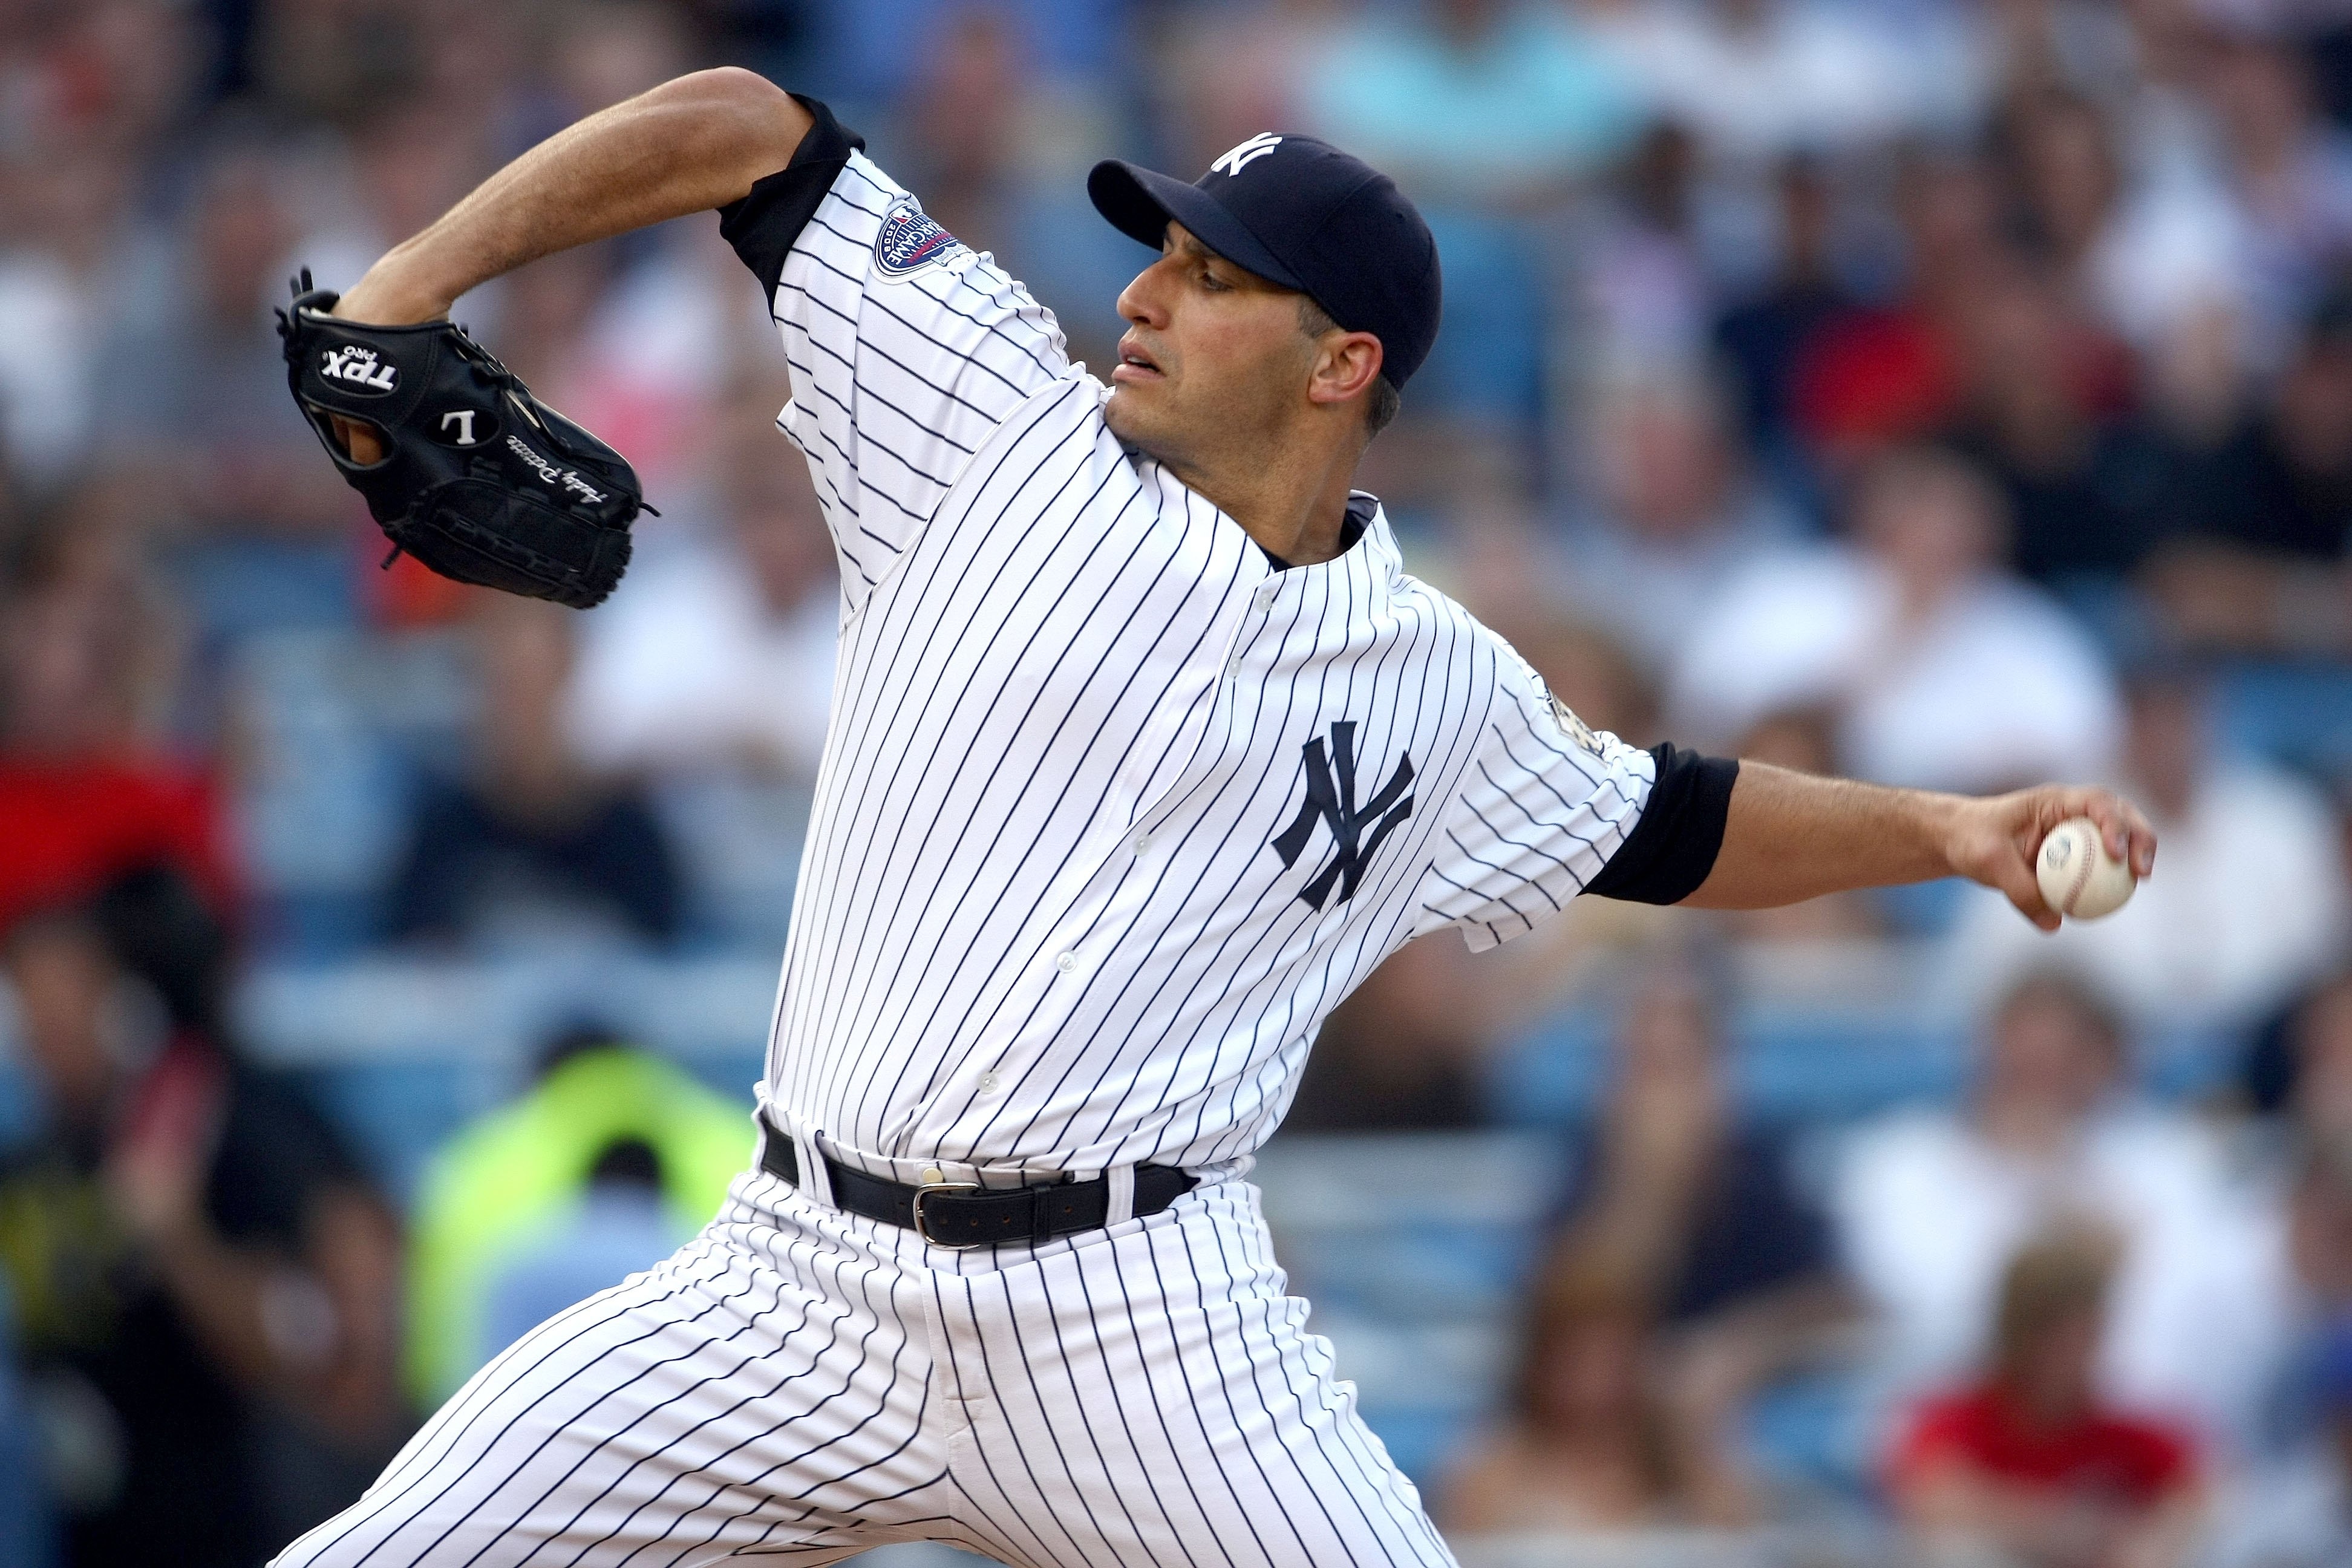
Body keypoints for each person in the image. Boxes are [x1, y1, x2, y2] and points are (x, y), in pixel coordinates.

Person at [274, 69, 2155, 1566]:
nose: (1142, 290)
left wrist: (1954, 830)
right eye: (1156, 248)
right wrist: (403, 288)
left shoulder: (1433, 683)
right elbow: (742, 130)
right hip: (796, 1284)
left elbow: (1670, 822)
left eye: (1211, 270)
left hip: (1141, 1329)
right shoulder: (987, 421)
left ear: (1344, 367)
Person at [0, 870, 408, 1566]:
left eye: (63, 1002)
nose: (43, 1030)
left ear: (122, 1005)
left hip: (228, 1519)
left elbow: (309, 1359)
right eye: (28, 1004)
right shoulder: (27, 1158)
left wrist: (177, 1237)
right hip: (74, 1517)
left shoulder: (225, 1129)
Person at [1835, 970, 2282, 1452]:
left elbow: (2196, 1298)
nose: (2041, 1085)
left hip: (2137, 1432)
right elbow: (1930, 1305)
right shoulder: (1901, 1164)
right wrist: (2044, 1193)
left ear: (2109, 1061)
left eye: (2065, 1062)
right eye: (2024, 1064)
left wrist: (2063, 1177)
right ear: (1984, 1055)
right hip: (1965, 1435)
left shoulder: (2169, 1160)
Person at [1889, 1228, 2206, 1568]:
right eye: (2064, 1336)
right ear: (2021, 1333)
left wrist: (2151, 1540)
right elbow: (1932, 1500)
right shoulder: (1956, 1416)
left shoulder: (2120, 1426)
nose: (2083, 1352)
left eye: (2092, 1334)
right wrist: (2058, 1527)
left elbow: (2200, 1492)